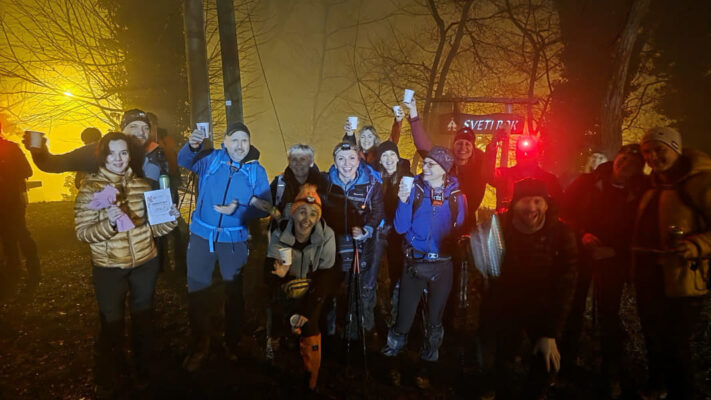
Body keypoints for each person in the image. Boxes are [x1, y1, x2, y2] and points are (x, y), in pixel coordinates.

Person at [73, 132, 178, 397]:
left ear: (130, 155)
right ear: (102, 156)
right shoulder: (91, 189)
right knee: (112, 323)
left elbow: (154, 228)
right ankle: (114, 373)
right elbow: (83, 232)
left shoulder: (143, 186)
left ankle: (143, 369)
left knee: (143, 320)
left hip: (145, 262)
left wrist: (170, 219)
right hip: (109, 267)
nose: (118, 159)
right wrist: (108, 224)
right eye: (111, 153)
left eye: (123, 153)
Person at [178, 122, 271, 371]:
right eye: (235, 140)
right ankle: (200, 345)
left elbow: (266, 206)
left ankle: (232, 342)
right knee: (198, 292)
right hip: (202, 237)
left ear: (249, 144)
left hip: (234, 240)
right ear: (225, 142)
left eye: (244, 140)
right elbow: (184, 160)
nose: (240, 145)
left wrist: (238, 209)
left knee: (234, 294)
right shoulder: (211, 160)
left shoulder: (256, 171)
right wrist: (192, 146)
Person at [560, 144, 647, 397]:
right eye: (623, 158)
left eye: (633, 162)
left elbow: (640, 228)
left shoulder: (640, 193)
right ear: (616, 158)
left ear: (640, 168)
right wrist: (582, 235)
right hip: (579, 255)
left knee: (609, 313)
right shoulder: (588, 182)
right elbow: (564, 211)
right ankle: (564, 364)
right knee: (573, 308)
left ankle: (610, 370)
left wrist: (615, 251)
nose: (626, 164)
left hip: (613, 260)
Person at [479, 178, 577, 399]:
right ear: (514, 203)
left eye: (537, 201)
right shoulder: (499, 226)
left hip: (543, 306)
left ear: (546, 205)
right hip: (506, 303)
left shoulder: (562, 235)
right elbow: (490, 274)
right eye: (525, 200)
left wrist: (549, 333)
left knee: (546, 359)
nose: (531, 207)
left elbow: (565, 286)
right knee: (499, 356)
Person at [632, 127, 711, 400]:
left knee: (675, 344)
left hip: (683, 275)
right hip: (649, 274)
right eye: (647, 152)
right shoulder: (654, 183)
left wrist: (695, 245)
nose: (652, 157)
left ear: (675, 148)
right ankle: (657, 386)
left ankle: (685, 393)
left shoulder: (700, 182)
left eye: (659, 150)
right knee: (653, 336)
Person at [381, 146, 467, 387]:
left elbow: (460, 227)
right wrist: (402, 200)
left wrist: (458, 242)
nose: (424, 167)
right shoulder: (414, 189)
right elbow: (400, 228)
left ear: (444, 169)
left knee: (434, 320)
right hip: (415, 263)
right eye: (425, 163)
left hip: (442, 266)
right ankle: (392, 361)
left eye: (431, 164)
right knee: (404, 318)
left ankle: (427, 365)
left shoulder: (457, 196)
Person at [265, 185, 336, 390]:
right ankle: (274, 352)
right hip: (286, 289)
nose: (307, 219)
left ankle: (311, 377)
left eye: (313, 214)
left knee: (310, 325)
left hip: (312, 290)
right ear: (293, 212)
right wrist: (277, 274)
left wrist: (307, 312)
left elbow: (325, 278)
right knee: (278, 318)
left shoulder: (327, 236)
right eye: (302, 212)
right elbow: (267, 272)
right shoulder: (280, 233)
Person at [321, 141, 384, 345]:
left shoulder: (371, 184)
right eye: (341, 158)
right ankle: (329, 339)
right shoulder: (324, 184)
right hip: (331, 250)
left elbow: (378, 211)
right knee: (329, 295)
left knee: (356, 294)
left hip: (359, 249)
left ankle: (356, 337)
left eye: (351, 158)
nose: (346, 163)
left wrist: (366, 230)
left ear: (358, 160)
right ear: (334, 161)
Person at [23, 109, 169, 191]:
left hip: (153, 229)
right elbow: (53, 164)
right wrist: (40, 153)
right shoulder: (98, 151)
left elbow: (168, 188)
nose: (140, 132)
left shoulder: (157, 155)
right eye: (133, 127)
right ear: (123, 130)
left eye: (145, 128)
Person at [373, 140, 412, 328]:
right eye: (384, 155)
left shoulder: (407, 179)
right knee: (378, 272)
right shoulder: (376, 178)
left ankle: (397, 312)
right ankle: (380, 309)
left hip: (399, 233)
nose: (388, 159)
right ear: (379, 160)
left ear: (398, 157)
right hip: (380, 231)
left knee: (397, 271)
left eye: (392, 155)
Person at [0, 131, 40, 295]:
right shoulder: (12, 148)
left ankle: (24, 270)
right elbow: (27, 171)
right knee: (13, 235)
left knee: (16, 234)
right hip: (13, 199)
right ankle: (22, 271)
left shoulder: (11, 149)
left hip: (13, 200)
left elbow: (27, 171)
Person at [487, 135, 563, 213]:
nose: (525, 156)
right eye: (521, 153)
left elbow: (559, 207)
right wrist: (493, 147)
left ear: (538, 154)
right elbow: (488, 175)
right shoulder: (504, 175)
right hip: (508, 220)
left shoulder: (550, 180)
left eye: (529, 153)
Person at [269, 144, 323, 229]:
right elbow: (267, 205)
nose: (298, 163)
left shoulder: (323, 184)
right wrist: (278, 217)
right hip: (281, 232)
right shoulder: (279, 183)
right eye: (294, 159)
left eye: (303, 159)